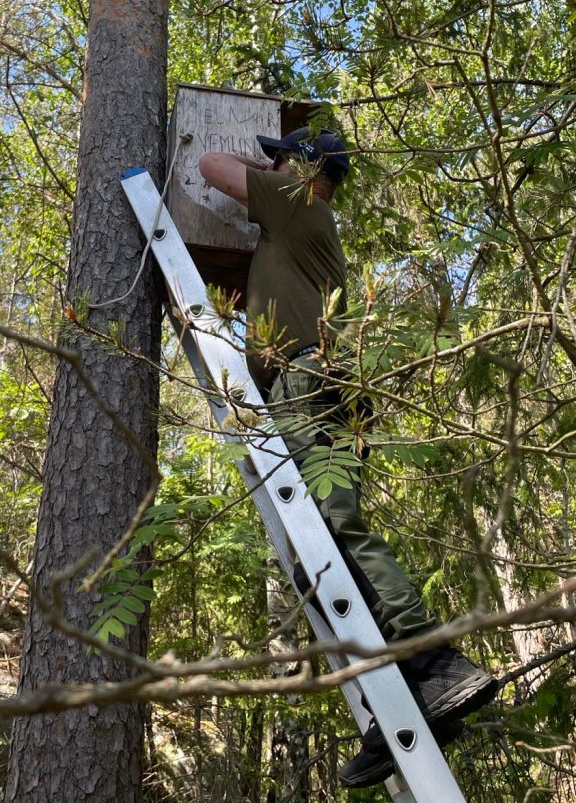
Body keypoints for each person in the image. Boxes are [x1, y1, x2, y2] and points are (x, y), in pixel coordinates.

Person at [198, 126, 498, 788]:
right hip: (329, 383)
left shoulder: (295, 199)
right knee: (324, 544)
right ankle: (410, 702)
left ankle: (434, 661)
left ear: (302, 167)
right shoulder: (307, 217)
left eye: (282, 156)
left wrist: (270, 167)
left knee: (336, 526)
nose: (272, 163)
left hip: (307, 381)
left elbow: (209, 162)